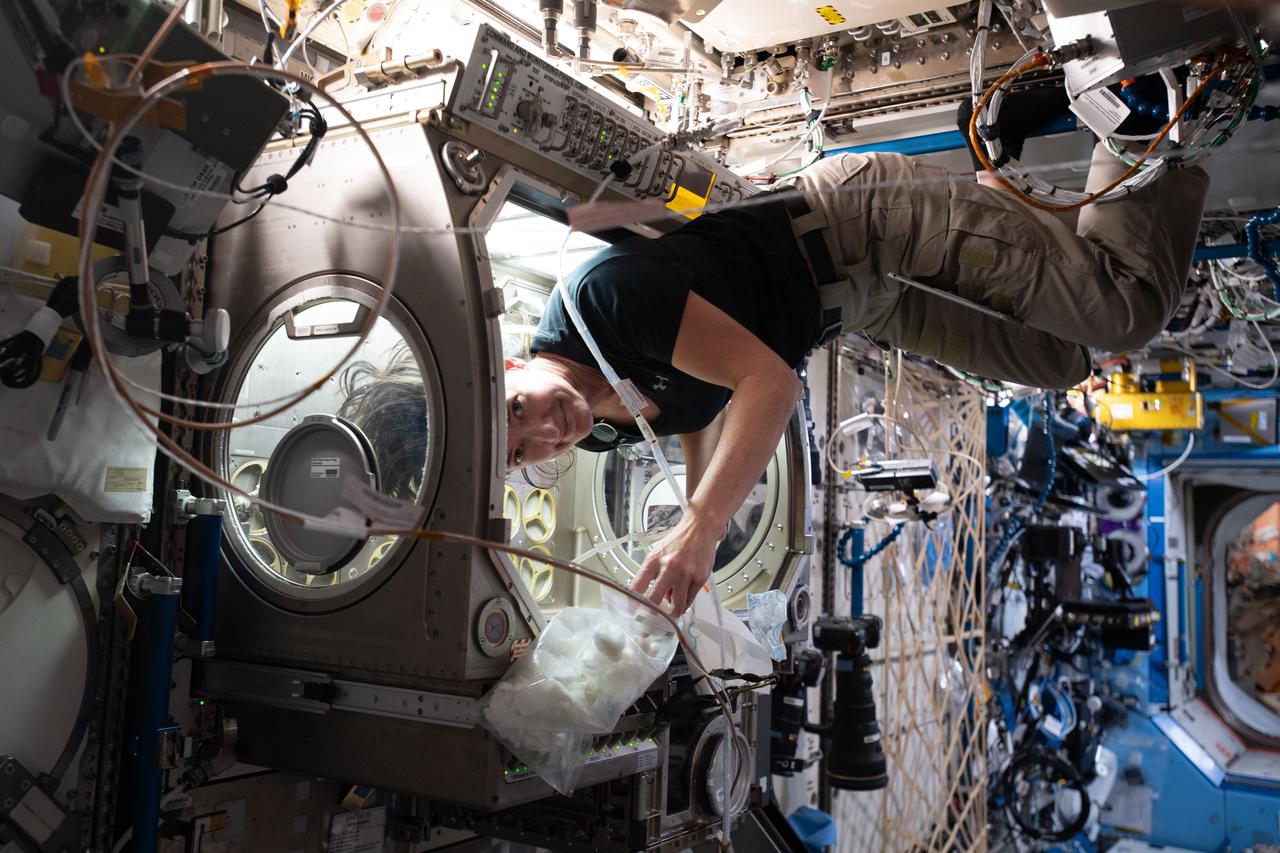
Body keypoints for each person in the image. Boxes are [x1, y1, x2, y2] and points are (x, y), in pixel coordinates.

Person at [504, 98, 1210, 617]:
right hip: (866, 304)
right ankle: (1000, 182)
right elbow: (694, 409)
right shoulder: (597, 427)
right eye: (520, 452)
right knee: (1062, 361)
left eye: (517, 410)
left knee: (1123, 311)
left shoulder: (601, 301)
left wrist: (703, 525)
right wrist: (704, 550)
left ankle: (1151, 95)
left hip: (860, 227)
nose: (544, 432)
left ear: (508, 367)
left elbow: (767, 383)